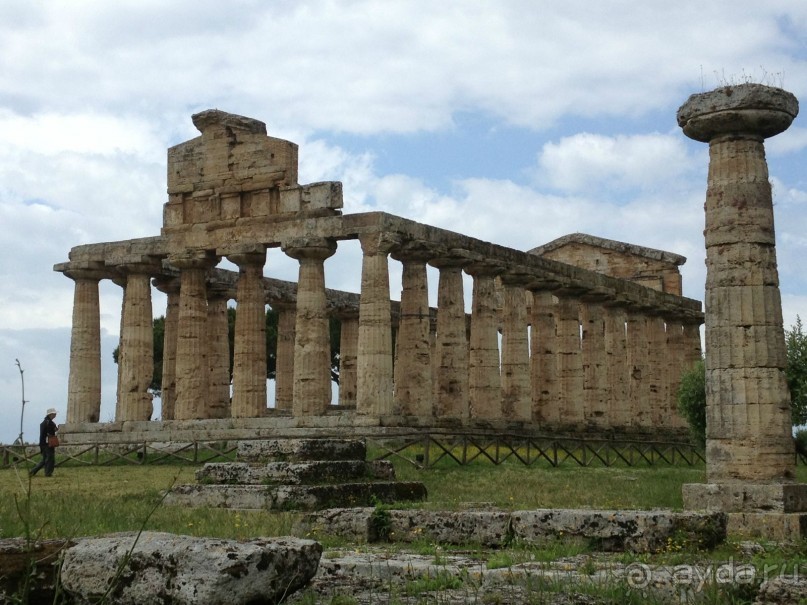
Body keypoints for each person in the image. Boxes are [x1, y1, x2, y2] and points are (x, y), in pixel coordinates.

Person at [30, 408, 59, 477]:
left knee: (44, 460)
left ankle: (32, 472)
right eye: (54, 414)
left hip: (43, 443)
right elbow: (49, 434)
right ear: (50, 414)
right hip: (48, 443)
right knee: (50, 459)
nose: (55, 415)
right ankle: (48, 473)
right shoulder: (49, 423)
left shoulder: (44, 422)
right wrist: (55, 430)